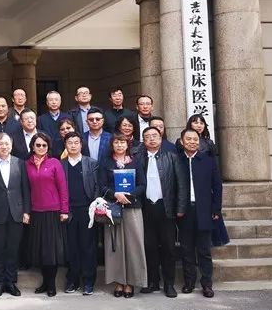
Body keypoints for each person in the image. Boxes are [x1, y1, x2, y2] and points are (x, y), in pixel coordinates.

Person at [137, 126, 188, 298]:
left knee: (168, 248)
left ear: (161, 138)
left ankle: (169, 284)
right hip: (145, 208)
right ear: (143, 141)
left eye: (154, 136)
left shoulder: (172, 157)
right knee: (149, 247)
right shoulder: (138, 158)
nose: (151, 139)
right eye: (147, 137)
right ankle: (152, 282)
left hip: (166, 208)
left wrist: (181, 208)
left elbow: (182, 184)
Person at [0, 133, 30, 297]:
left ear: (11, 145)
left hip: (16, 213)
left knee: (13, 249)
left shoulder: (20, 163)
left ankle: (11, 282)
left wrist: (26, 211)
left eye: (7, 144)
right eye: (1, 144)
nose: (4, 147)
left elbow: (25, 189)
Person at [100, 133, 147, 298]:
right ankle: (119, 281)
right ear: (112, 145)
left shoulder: (135, 162)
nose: (119, 145)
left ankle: (131, 282)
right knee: (116, 245)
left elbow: (143, 184)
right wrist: (116, 195)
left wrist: (130, 196)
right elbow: (102, 186)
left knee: (134, 244)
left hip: (133, 207)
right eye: (116, 142)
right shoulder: (106, 162)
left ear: (128, 145)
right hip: (113, 208)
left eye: (123, 142)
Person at [178, 128, 223, 298]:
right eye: (188, 139)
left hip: (204, 210)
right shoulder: (177, 160)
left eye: (195, 139)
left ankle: (207, 284)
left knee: (204, 250)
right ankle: (189, 282)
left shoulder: (208, 160)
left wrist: (216, 209)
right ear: (182, 142)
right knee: (186, 249)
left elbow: (217, 186)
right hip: (184, 211)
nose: (192, 142)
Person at [25, 132, 68, 297]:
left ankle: (51, 284)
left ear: (48, 147)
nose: (41, 148)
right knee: (41, 250)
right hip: (36, 211)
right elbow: (26, 189)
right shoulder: (27, 164)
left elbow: (63, 188)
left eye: (44, 145)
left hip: (53, 211)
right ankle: (44, 282)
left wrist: (64, 210)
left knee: (51, 251)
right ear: (33, 147)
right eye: (38, 145)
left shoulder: (54, 163)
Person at [61, 132, 100, 295]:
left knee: (88, 247)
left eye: (76, 142)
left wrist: (95, 206)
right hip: (68, 211)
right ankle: (72, 281)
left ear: (81, 144)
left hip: (87, 210)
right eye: (70, 142)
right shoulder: (60, 164)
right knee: (71, 248)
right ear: (65, 145)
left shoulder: (91, 163)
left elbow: (98, 186)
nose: (73, 145)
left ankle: (89, 282)